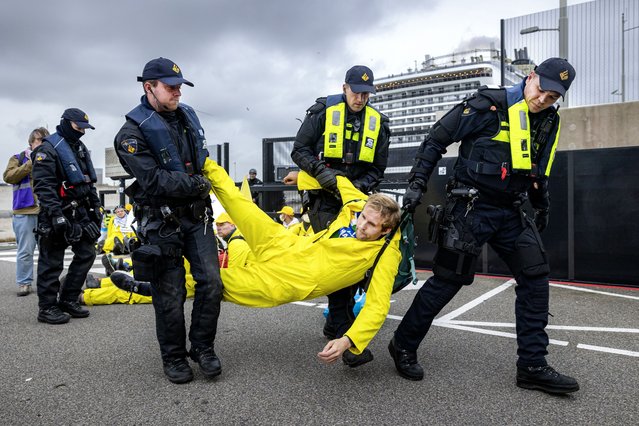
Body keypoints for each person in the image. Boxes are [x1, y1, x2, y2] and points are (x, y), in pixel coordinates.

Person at [391, 58, 579, 394]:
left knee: (535, 277)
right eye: (541, 90)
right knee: (448, 280)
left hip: (512, 211)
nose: (542, 99)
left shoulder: (549, 121)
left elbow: (539, 169)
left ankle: (532, 366)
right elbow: (436, 140)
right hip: (471, 207)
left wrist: (542, 204)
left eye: (552, 97)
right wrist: (417, 184)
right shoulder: (487, 105)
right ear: (531, 76)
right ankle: (403, 344)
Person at [112, 160, 401, 368]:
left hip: (288, 280)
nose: (362, 225)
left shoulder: (386, 252)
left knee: (217, 283)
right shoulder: (358, 205)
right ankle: (202, 161)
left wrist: (348, 341)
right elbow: (339, 182)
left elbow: (377, 306)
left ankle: (152, 288)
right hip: (285, 243)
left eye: (371, 225)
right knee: (241, 205)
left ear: (385, 230)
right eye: (363, 217)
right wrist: (302, 178)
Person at [114, 57, 223, 384]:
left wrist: (202, 186)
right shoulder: (130, 134)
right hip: (161, 223)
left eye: (179, 86)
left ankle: (202, 347)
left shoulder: (186, 116)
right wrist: (196, 185)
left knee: (212, 283)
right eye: (170, 87)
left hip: (197, 216)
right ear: (149, 87)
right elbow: (152, 180)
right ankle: (173, 356)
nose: (177, 92)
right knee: (170, 294)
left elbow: (201, 161)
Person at [290, 65, 391, 353]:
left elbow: (378, 169)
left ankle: (336, 324)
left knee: (351, 261)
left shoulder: (379, 124)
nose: (361, 98)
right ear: (344, 88)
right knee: (337, 258)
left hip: (357, 199)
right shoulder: (322, 112)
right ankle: (343, 329)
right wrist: (323, 174)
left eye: (366, 94)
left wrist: (357, 186)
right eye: (356, 92)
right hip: (324, 198)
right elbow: (299, 150)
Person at [32, 109, 102, 324]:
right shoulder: (48, 149)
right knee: (51, 262)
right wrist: (55, 215)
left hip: (80, 212)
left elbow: (89, 182)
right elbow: (44, 187)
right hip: (56, 212)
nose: (82, 131)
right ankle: (47, 307)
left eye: (84, 128)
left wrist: (95, 210)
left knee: (87, 253)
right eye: (78, 126)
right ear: (65, 123)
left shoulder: (79, 148)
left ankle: (69, 298)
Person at [3, 127, 49, 296]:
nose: (41, 143)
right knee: (25, 250)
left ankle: (46, 284)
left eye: (44, 141)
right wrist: (30, 163)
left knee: (47, 251)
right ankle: (24, 283)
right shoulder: (18, 158)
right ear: (31, 142)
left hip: (45, 211)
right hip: (24, 211)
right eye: (38, 140)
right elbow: (8, 176)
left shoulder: (50, 158)